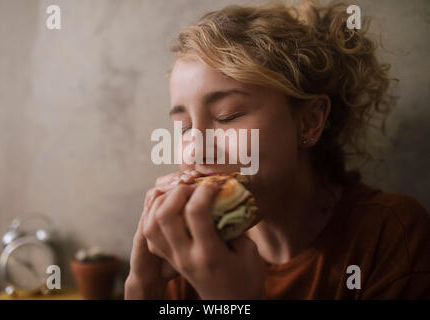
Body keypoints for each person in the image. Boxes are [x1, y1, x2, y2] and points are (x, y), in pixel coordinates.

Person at [124, 1, 430, 299]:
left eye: (226, 116)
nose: (196, 150)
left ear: (309, 121)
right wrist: (143, 289)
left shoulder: (391, 235)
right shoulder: (187, 244)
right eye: (185, 126)